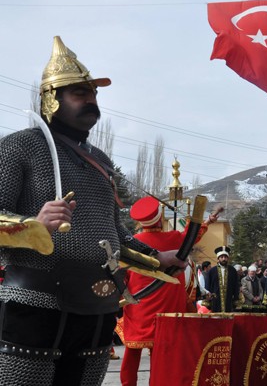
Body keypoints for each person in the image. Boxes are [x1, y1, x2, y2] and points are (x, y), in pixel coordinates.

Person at [0, 36, 187, 386]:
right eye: (80, 94)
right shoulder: (19, 147)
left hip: (98, 302)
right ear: (51, 99)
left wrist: (156, 258)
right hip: (37, 299)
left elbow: (112, 235)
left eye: (94, 94)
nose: (92, 101)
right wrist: (33, 226)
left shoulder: (99, 160)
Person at [118, 196, 217, 385]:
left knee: (132, 350)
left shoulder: (132, 243)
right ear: (160, 216)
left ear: (140, 222)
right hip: (167, 306)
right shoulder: (174, 238)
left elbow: (123, 276)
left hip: (138, 306)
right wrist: (206, 221)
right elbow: (192, 234)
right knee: (160, 351)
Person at [203, 246, 241, 313]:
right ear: (218, 259)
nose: (224, 259)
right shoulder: (212, 271)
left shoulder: (232, 270)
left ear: (228, 258)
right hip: (215, 301)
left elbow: (236, 286)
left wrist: (236, 299)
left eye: (225, 257)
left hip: (229, 300)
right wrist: (207, 299)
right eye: (222, 257)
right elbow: (207, 285)